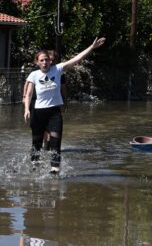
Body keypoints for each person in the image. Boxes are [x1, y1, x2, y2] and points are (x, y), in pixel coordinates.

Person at [24, 37, 106, 174]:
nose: (45, 62)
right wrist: (27, 109)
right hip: (38, 113)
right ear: (37, 62)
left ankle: (54, 170)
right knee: (36, 144)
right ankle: (34, 168)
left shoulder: (58, 69)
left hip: (54, 113)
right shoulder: (34, 74)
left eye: (47, 60)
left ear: (50, 60)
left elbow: (77, 59)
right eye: (41, 60)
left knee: (56, 142)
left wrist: (91, 47)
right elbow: (28, 94)